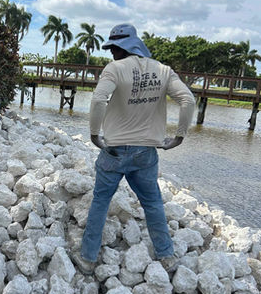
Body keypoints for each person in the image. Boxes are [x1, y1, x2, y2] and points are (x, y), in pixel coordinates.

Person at [74, 24, 195, 274]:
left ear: (121, 49)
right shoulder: (163, 71)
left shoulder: (115, 69)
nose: (111, 54)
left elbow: (98, 100)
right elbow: (188, 100)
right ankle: (166, 255)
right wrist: (179, 136)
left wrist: (95, 135)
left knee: (101, 200)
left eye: (113, 49)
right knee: (152, 203)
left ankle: (87, 258)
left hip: (114, 149)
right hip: (145, 153)